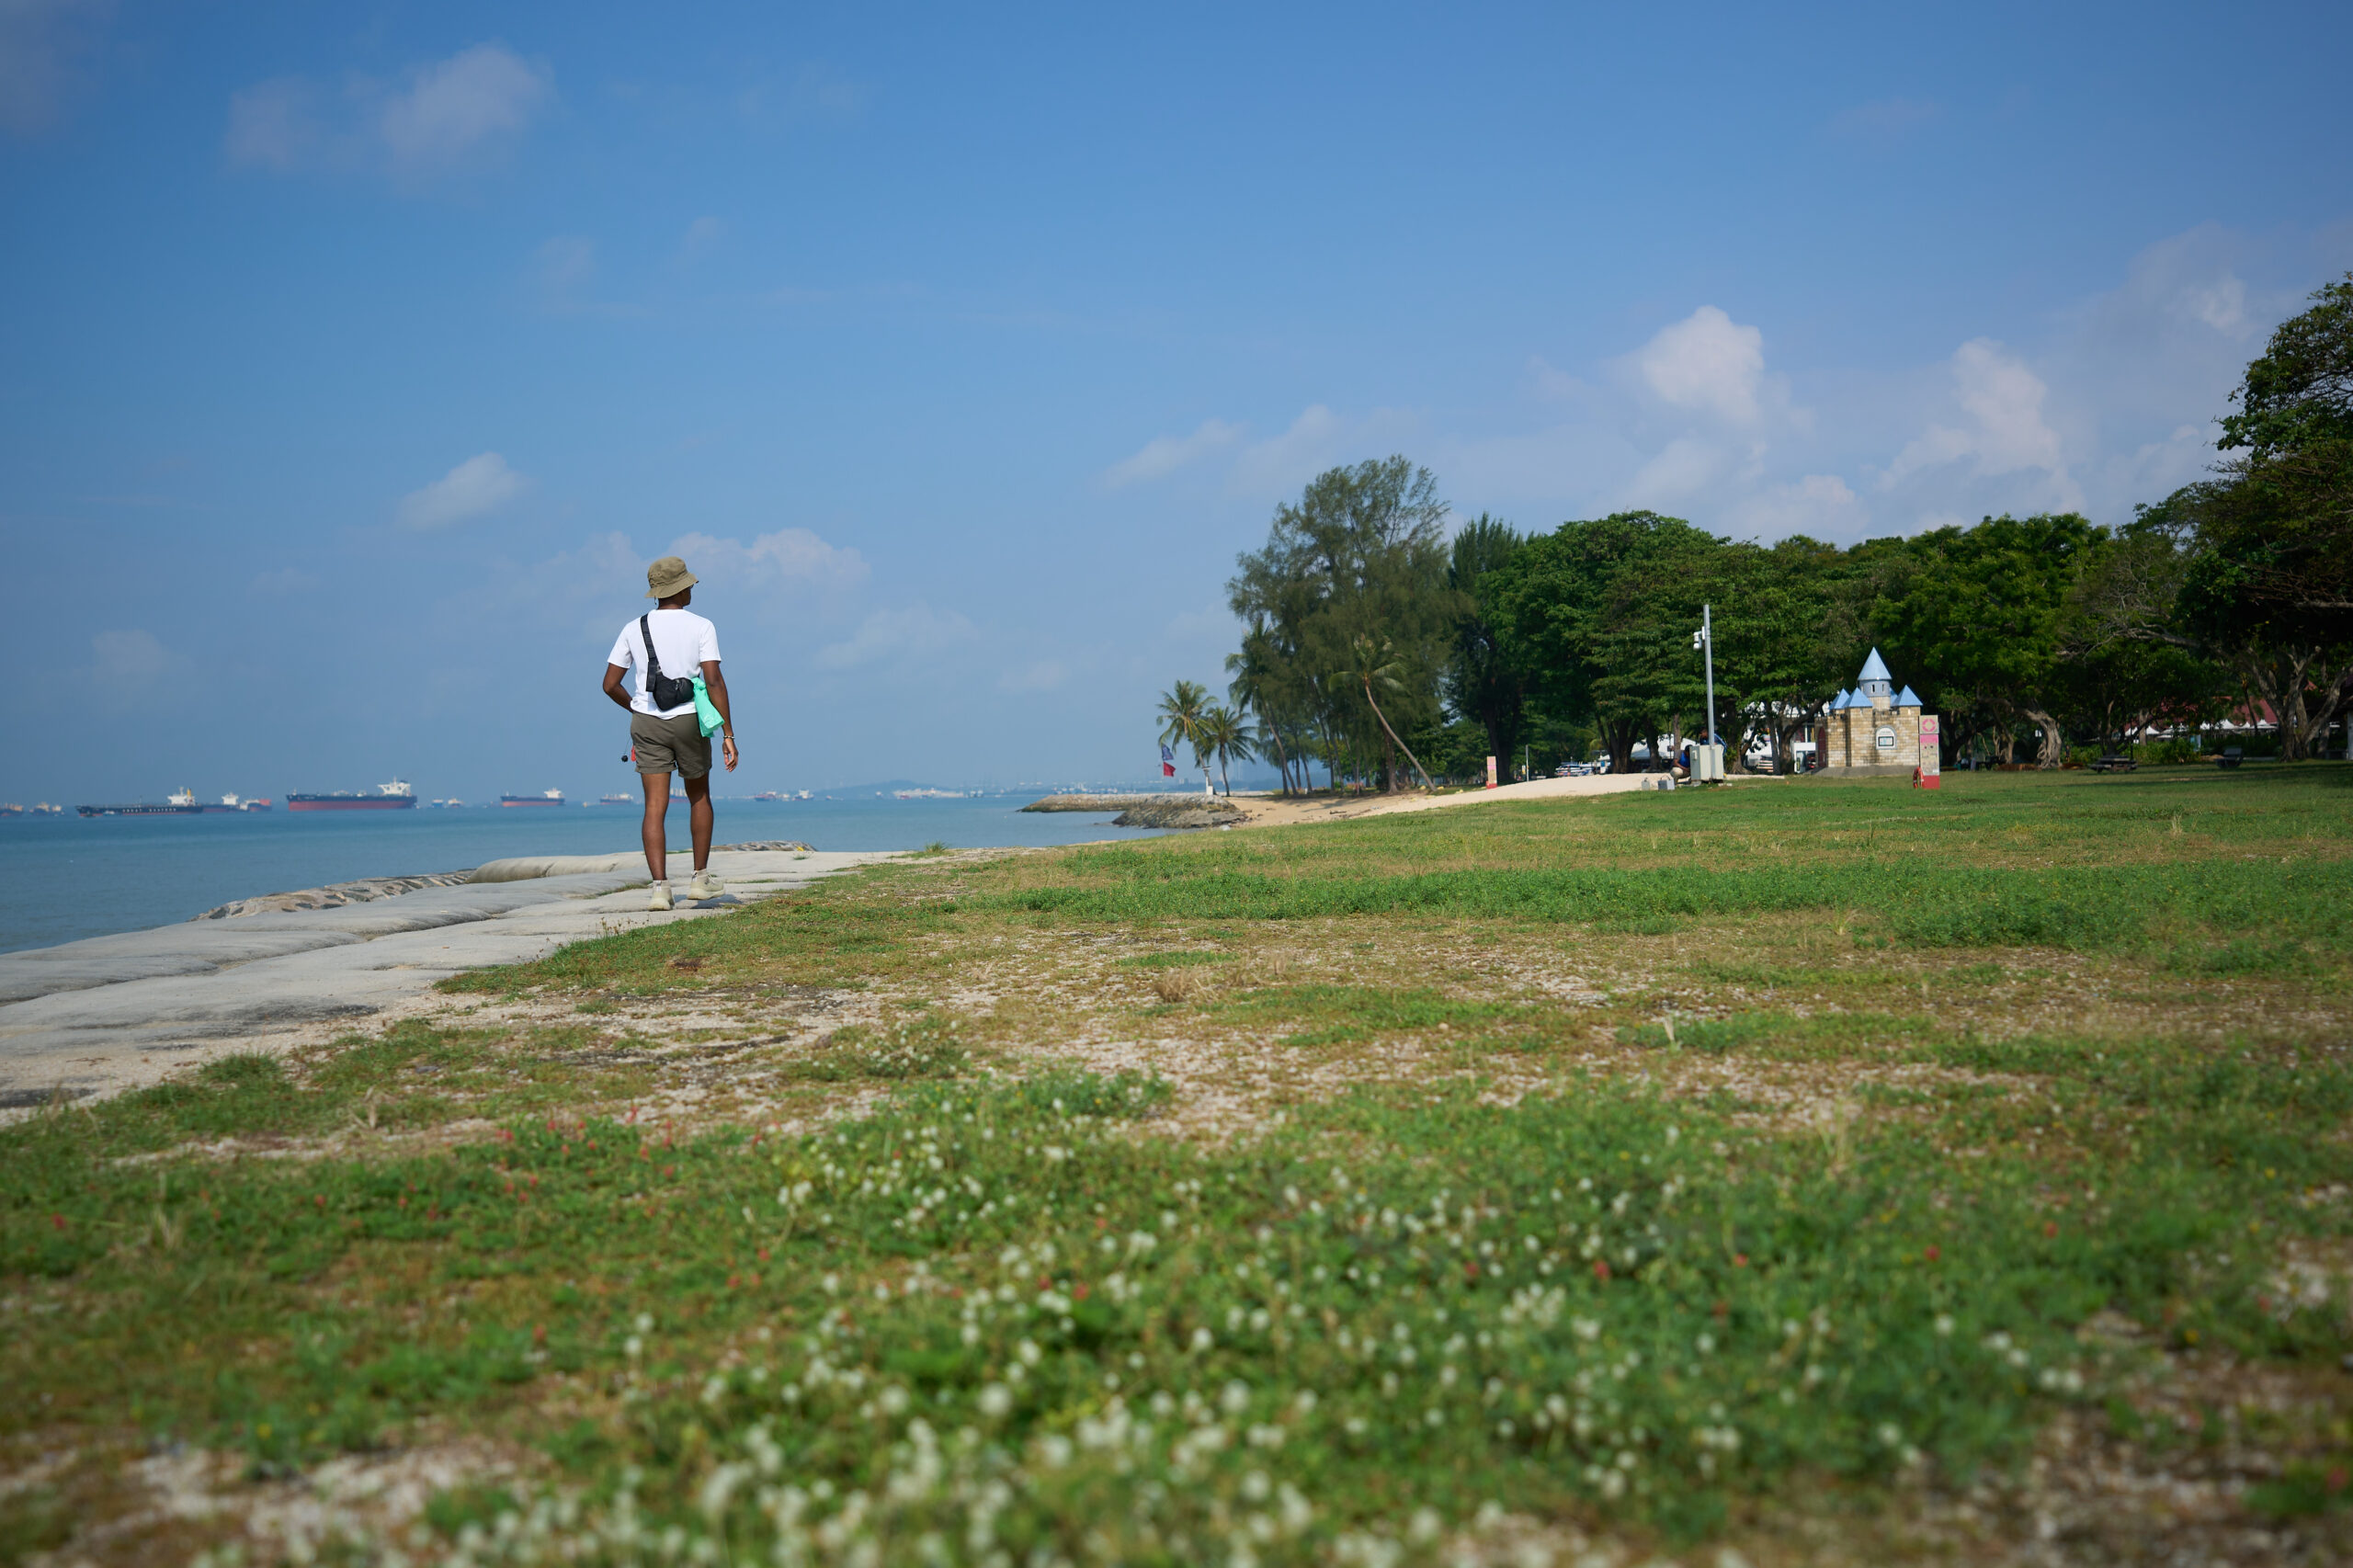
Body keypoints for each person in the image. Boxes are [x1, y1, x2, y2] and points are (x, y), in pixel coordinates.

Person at [601, 555, 738, 910]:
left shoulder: (634, 628)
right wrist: (728, 733)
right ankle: (699, 879)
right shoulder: (702, 626)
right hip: (689, 719)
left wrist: (635, 706)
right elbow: (713, 680)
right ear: (682, 588)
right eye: (689, 584)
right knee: (699, 797)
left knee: (654, 807)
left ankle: (660, 889)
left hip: (647, 722)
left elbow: (609, 684)